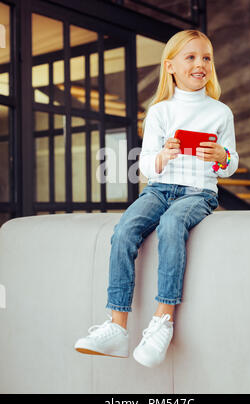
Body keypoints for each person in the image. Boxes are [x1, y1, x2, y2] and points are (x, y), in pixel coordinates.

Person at [74, 29, 239, 368]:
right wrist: (163, 155)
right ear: (170, 66)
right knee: (122, 231)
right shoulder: (160, 112)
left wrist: (221, 155)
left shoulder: (221, 113)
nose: (200, 64)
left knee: (172, 222)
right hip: (159, 189)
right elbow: (147, 164)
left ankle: (163, 321)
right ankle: (117, 328)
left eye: (206, 58)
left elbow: (229, 167)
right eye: (191, 57)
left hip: (199, 192)